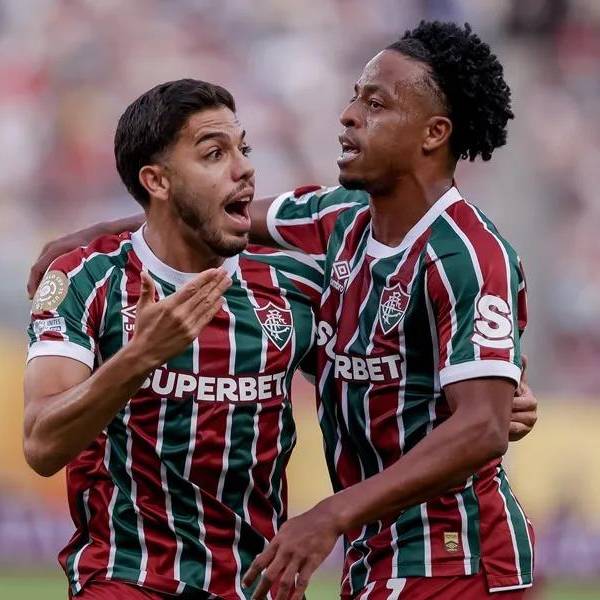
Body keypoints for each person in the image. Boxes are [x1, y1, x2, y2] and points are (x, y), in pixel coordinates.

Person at [28, 23, 539, 600]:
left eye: (374, 104)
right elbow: (208, 213)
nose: (348, 115)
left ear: (433, 133)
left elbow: (483, 425)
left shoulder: (468, 254)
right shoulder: (337, 220)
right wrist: (92, 235)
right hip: (369, 558)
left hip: (452, 554)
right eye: (355, 97)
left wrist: (332, 513)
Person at [24, 79, 322, 600]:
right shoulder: (86, 279)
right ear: (157, 181)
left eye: (244, 148)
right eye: (214, 153)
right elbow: (42, 444)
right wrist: (141, 356)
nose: (245, 168)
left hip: (253, 584)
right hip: (126, 578)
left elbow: (377, 388)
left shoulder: (293, 288)